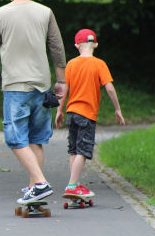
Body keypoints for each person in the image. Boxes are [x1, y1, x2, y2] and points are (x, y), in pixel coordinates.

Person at [0, 0, 67, 204]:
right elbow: (57, 50)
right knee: (35, 139)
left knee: (16, 139)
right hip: (41, 87)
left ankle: (39, 183)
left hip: (16, 87)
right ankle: (34, 191)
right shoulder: (45, 12)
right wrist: (61, 81)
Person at [55, 29, 125, 196]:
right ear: (96, 44)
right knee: (83, 151)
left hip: (71, 113)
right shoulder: (99, 64)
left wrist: (59, 110)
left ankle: (75, 183)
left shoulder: (71, 64)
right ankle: (72, 186)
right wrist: (117, 109)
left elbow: (64, 89)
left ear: (77, 45)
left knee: (74, 150)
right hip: (87, 115)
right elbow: (109, 88)